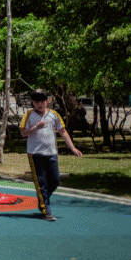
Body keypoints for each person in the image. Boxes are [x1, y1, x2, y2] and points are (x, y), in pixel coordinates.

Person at [20, 90, 82, 221]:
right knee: (41, 182)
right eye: (36, 102)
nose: (39, 104)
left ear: (47, 101)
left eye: (42, 101)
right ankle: (46, 211)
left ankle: (43, 199)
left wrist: (73, 148)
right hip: (35, 153)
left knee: (55, 180)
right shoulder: (28, 115)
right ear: (32, 102)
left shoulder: (54, 114)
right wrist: (36, 127)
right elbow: (23, 133)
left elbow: (62, 131)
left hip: (51, 153)